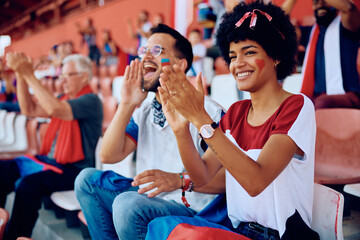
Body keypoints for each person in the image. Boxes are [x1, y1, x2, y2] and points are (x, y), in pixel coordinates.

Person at [146, 1, 319, 240]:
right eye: (232, 56)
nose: (237, 64)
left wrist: (201, 119)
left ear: (276, 56)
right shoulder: (237, 111)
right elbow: (202, 176)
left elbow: (256, 181)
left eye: (249, 52)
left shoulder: (297, 105)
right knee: (161, 226)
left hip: (279, 236)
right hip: (237, 229)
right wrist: (181, 130)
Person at [74, 23, 225, 240]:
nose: (146, 57)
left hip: (193, 208)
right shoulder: (145, 110)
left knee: (128, 204)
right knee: (86, 180)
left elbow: (228, 179)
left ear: (181, 65)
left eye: (157, 51)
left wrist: (177, 179)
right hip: (151, 197)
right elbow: (109, 154)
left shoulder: (208, 111)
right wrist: (126, 104)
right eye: (143, 51)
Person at [1, 53, 103, 240]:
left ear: (84, 76)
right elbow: (28, 110)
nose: (62, 80)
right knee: (2, 169)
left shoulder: (91, 100)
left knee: (27, 185)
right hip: (52, 162)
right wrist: (22, 76)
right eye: (61, 76)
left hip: (74, 170)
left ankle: (15, 237)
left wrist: (28, 74)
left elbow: (55, 109)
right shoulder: (63, 98)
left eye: (68, 75)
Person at [284, 0, 360, 109]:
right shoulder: (310, 32)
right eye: (316, 2)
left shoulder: (347, 26)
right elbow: (280, 22)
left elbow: (348, 7)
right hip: (318, 97)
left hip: (348, 94)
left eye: (324, 1)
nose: (320, 5)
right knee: (295, 105)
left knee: (321, 102)